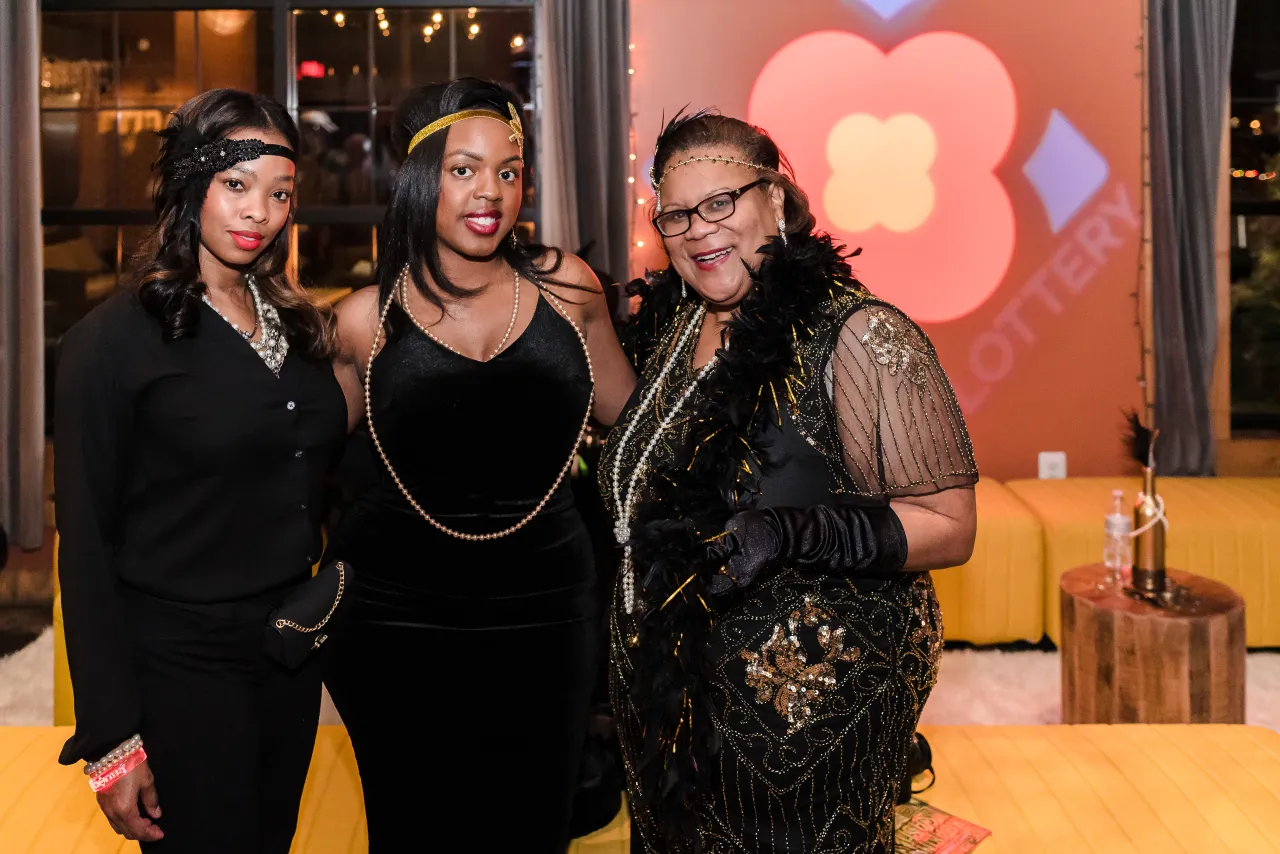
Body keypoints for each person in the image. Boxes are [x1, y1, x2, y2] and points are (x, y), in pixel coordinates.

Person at [600, 110, 979, 853]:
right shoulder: (677, 328)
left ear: (776, 198)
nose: (698, 230)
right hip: (672, 723)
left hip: (803, 739)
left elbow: (951, 523)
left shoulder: (862, 335)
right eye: (675, 214)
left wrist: (794, 531)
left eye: (722, 202)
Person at [324, 77, 636, 851]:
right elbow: (294, 466)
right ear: (420, 177)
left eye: (508, 169)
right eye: (464, 169)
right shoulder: (365, 320)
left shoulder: (570, 288)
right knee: (414, 827)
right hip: (395, 616)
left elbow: (636, 425)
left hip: (549, 610)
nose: (490, 191)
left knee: (533, 824)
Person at [53, 89, 346, 851]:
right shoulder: (111, 345)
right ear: (191, 186)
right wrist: (113, 741)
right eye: (237, 186)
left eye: (280, 194)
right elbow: (84, 549)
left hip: (287, 661)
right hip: (179, 671)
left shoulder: (300, 327)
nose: (261, 212)